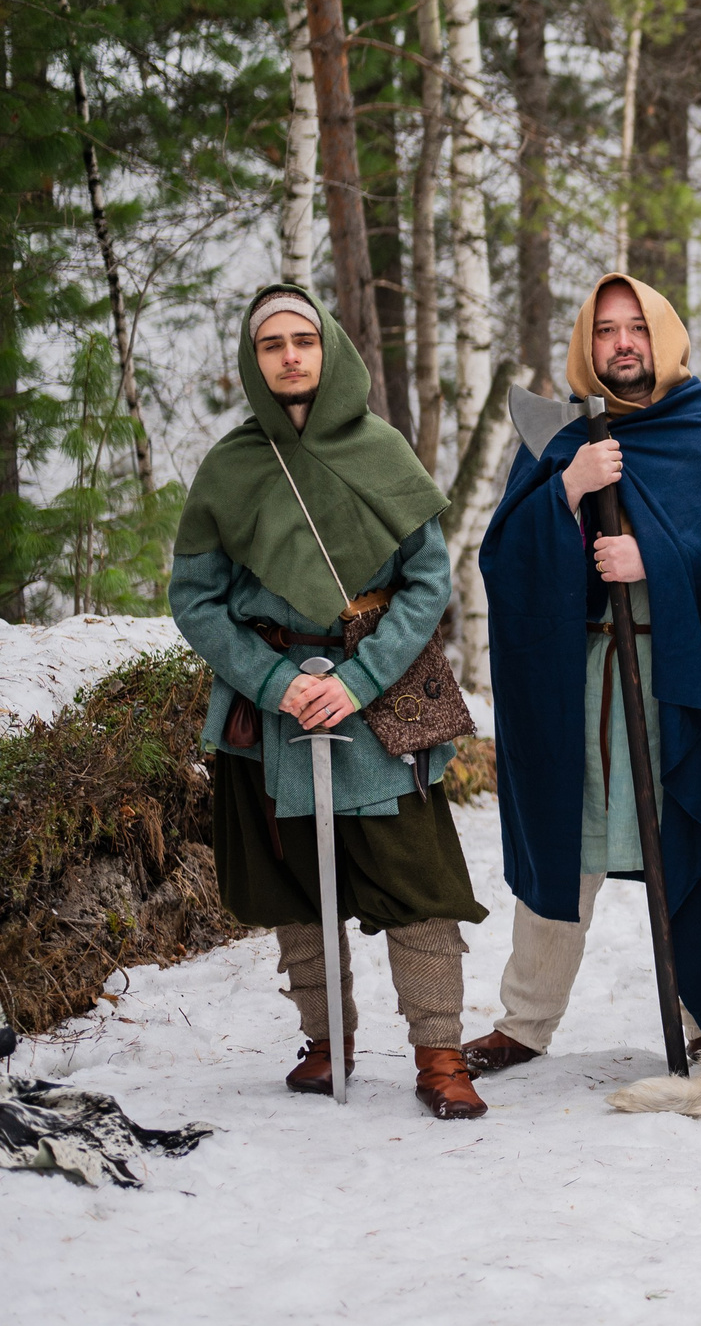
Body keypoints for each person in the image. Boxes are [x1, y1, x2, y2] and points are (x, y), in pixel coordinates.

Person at [465, 274, 701, 1076]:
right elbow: (503, 565)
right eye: (606, 329)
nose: (622, 343)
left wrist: (658, 559)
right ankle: (526, 1018)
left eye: (636, 327)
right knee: (564, 837)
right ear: (588, 345)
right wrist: (567, 498)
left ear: (663, 338)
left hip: (678, 679)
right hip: (583, 676)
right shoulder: (558, 440)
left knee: (688, 836)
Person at [168, 285, 488, 1117]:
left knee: (419, 886)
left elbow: (426, 583)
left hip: (375, 702)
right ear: (255, 359)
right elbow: (196, 599)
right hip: (270, 708)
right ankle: (327, 1038)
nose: (288, 355)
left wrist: (355, 678)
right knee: (296, 888)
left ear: (328, 346)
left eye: (301, 338)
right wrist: (278, 682)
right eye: (270, 343)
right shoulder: (231, 468)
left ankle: (439, 1048)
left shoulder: (382, 451)